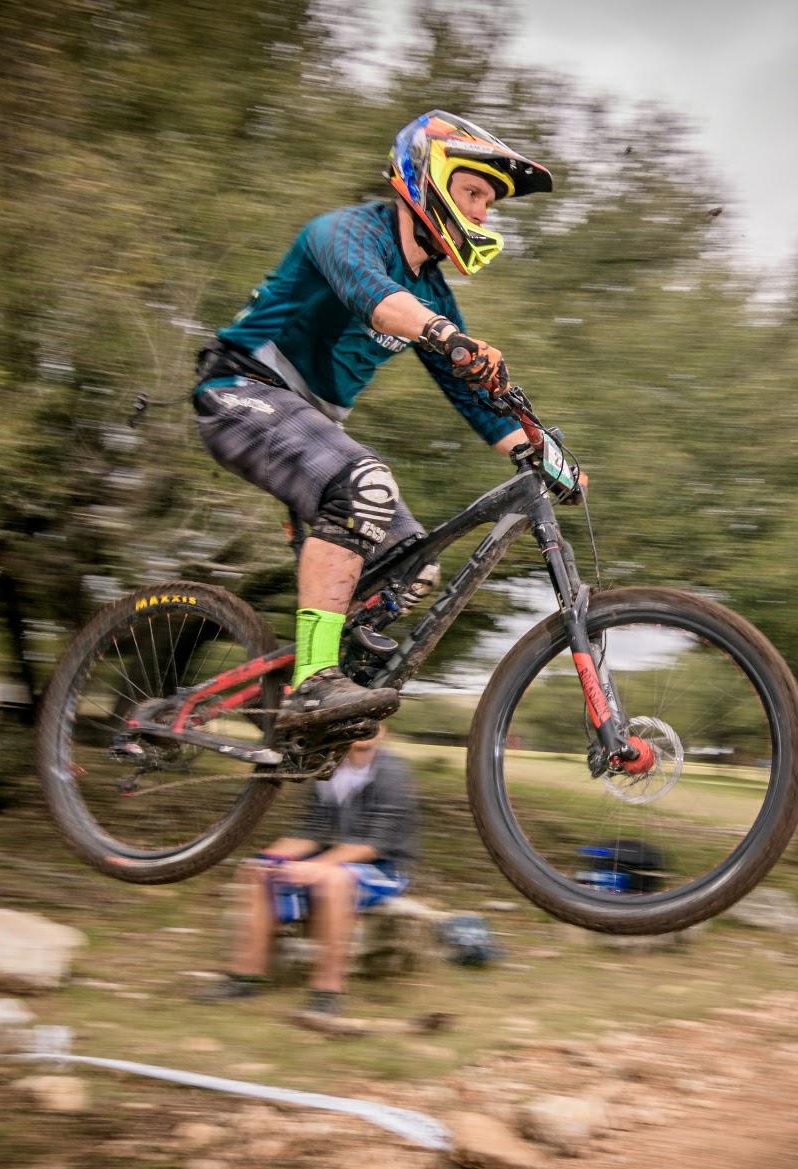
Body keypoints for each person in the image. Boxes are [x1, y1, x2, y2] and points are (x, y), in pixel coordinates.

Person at [190, 109, 570, 730]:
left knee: (414, 566)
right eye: (474, 192)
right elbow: (376, 296)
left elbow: (474, 398)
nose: (482, 213)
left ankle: (314, 692)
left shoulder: (434, 292)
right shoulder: (344, 233)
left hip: (306, 423)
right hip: (239, 390)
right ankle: (315, 681)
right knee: (364, 485)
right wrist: (443, 333)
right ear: (428, 178)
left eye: (490, 204)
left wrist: (548, 457)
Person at [192, 724, 419, 1016]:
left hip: (385, 868)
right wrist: (268, 858)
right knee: (259, 871)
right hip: (332, 859)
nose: (366, 731)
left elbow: (375, 844)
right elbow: (310, 832)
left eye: (374, 724)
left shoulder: (392, 773)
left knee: (333, 880)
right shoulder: (326, 768)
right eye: (359, 723)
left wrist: (315, 867)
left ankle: (327, 992)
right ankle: (245, 978)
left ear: (384, 730)